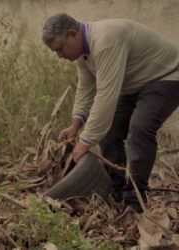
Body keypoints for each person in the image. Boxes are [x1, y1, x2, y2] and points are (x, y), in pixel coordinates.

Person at [42, 13, 179, 212]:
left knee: (139, 130)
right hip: (135, 85)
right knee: (108, 132)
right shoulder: (83, 52)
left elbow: (106, 95)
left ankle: (134, 200)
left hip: (168, 76)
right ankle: (116, 190)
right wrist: (76, 124)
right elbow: (86, 87)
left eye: (60, 48)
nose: (60, 55)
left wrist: (86, 141)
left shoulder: (106, 40)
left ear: (73, 34)